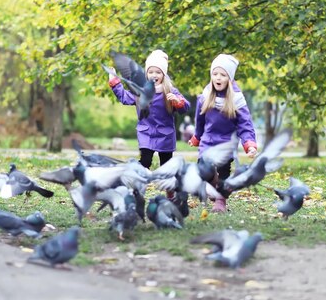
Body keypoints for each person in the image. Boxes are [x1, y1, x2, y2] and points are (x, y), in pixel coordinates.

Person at [188, 53, 257, 212]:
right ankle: (213, 184)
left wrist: (249, 144)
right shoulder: (205, 97)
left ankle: (220, 201)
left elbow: (245, 124)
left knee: (224, 174)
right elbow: (200, 121)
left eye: (223, 75)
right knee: (203, 170)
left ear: (230, 78)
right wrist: (197, 137)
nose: (218, 78)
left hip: (227, 143)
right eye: (215, 74)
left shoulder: (237, 100)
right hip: (208, 141)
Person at [109, 49, 190, 168]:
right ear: (146, 74)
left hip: (165, 133)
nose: (154, 75)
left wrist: (178, 102)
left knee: (166, 165)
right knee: (145, 161)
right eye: (150, 71)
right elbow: (124, 97)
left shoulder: (170, 91)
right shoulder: (141, 91)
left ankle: (166, 185)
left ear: (163, 74)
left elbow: (185, 108)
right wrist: (114, 82)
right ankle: (136, 178)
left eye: (158, 72)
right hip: (146, 132)